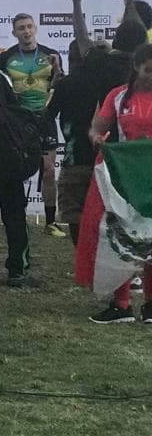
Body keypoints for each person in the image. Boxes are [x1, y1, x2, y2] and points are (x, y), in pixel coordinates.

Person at [79, 43, 152, 323]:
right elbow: (96, 129)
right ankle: (121, 304)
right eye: (148, 71)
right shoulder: (118, 97)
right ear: (136, 67)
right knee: (122, 238)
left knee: (151, 237)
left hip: (150, 177)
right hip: (124, 177)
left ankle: (150, 303)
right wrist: (97, 139)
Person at [0, 13, 64, 237]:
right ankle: (17, 213)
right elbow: (0, 91)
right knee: (16, 169)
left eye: (29, 27)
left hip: (44, 118)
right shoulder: (6, 57)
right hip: (17, 122)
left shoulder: (50, 54)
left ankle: (50, 222)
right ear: (14, 33)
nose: (26, 31)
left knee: (48, 169)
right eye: (21, 28)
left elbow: (58, 86)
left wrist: (58, 69)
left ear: (35, 29)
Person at [46, 40, 98, 245]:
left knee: (74, 214)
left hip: (74, 157)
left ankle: (82, 256)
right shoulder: (103, 81)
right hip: (102, 157)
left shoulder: (66, 84)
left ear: (70, 58)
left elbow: (49, 113)